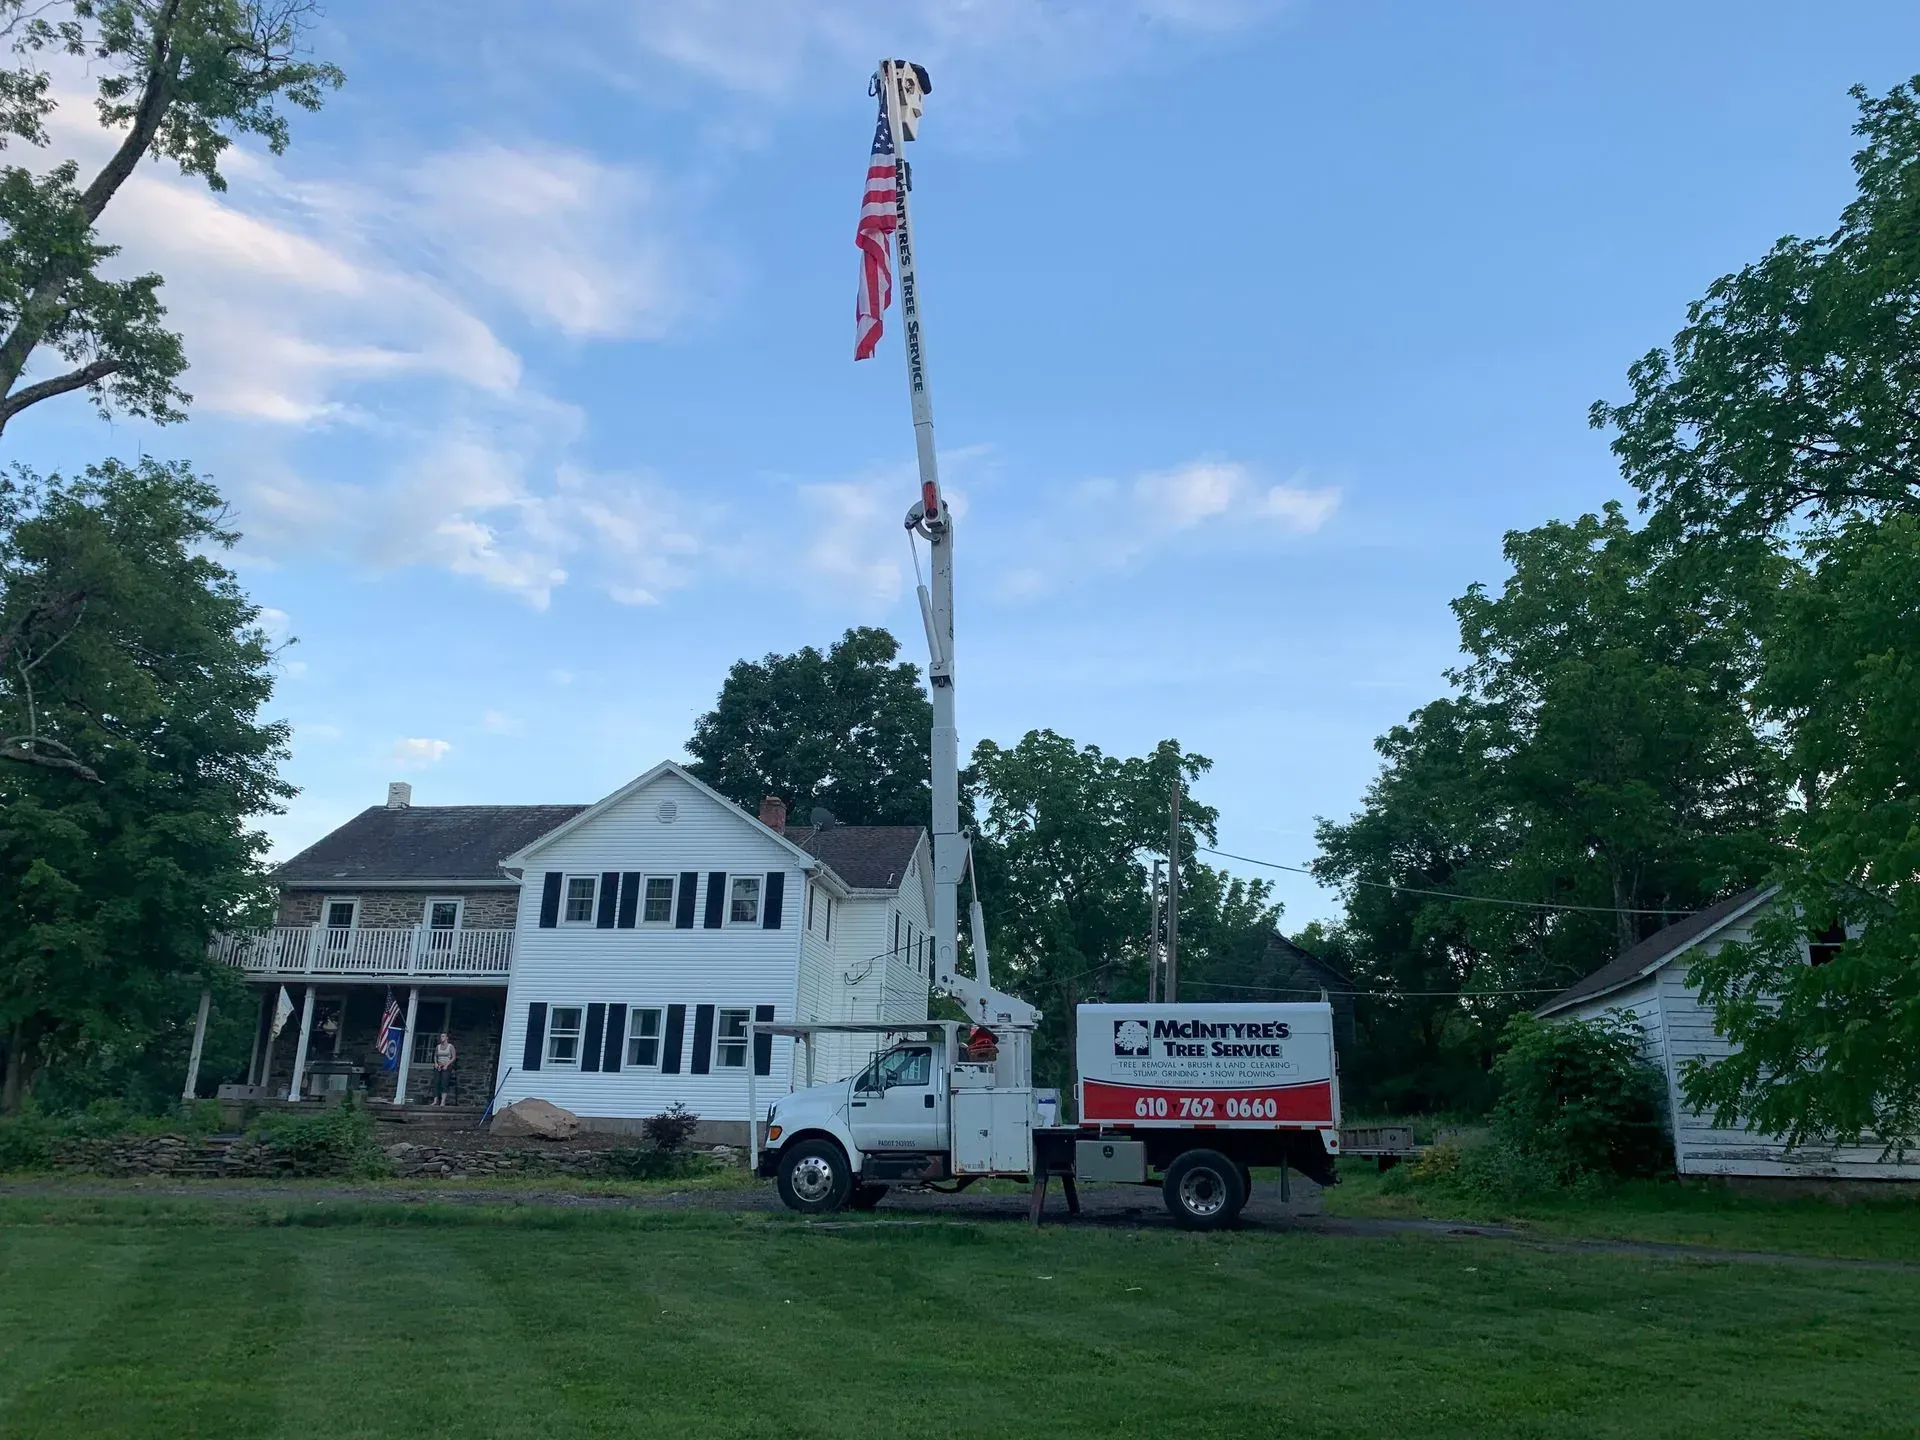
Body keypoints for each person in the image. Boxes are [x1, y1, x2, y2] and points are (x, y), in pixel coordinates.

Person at [432, 1032, 457, 1105]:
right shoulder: (438, 1046)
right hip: (438, 1066)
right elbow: (435, 1056)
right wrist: (436, 1063)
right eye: (441, 1036)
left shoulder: (450, 1046)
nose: (441, 1038)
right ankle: (435, 1100)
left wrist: (447, 1065)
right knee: (436, 1083)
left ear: (446, 1038)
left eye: (443, 1036)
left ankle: (443, 1101)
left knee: (444, 1083)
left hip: (446, 1066)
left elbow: (453, 1057)